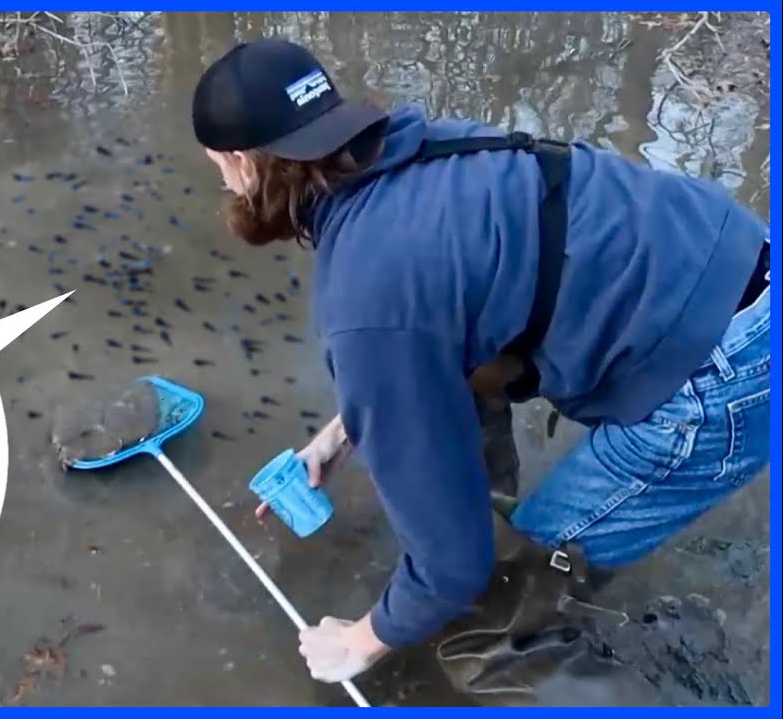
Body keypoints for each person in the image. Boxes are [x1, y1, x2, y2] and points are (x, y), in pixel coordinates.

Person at [190, 38, 771, 687]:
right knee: (466, 397)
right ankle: (486, 507)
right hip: (737, 253)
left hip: (724, 375)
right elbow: (449, 311)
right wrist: (347, 428)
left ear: (241, 162)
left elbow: (454, 567)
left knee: (494, 610)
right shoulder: (422, 145)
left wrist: (360, 640)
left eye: (218, 165)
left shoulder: (364, 296)